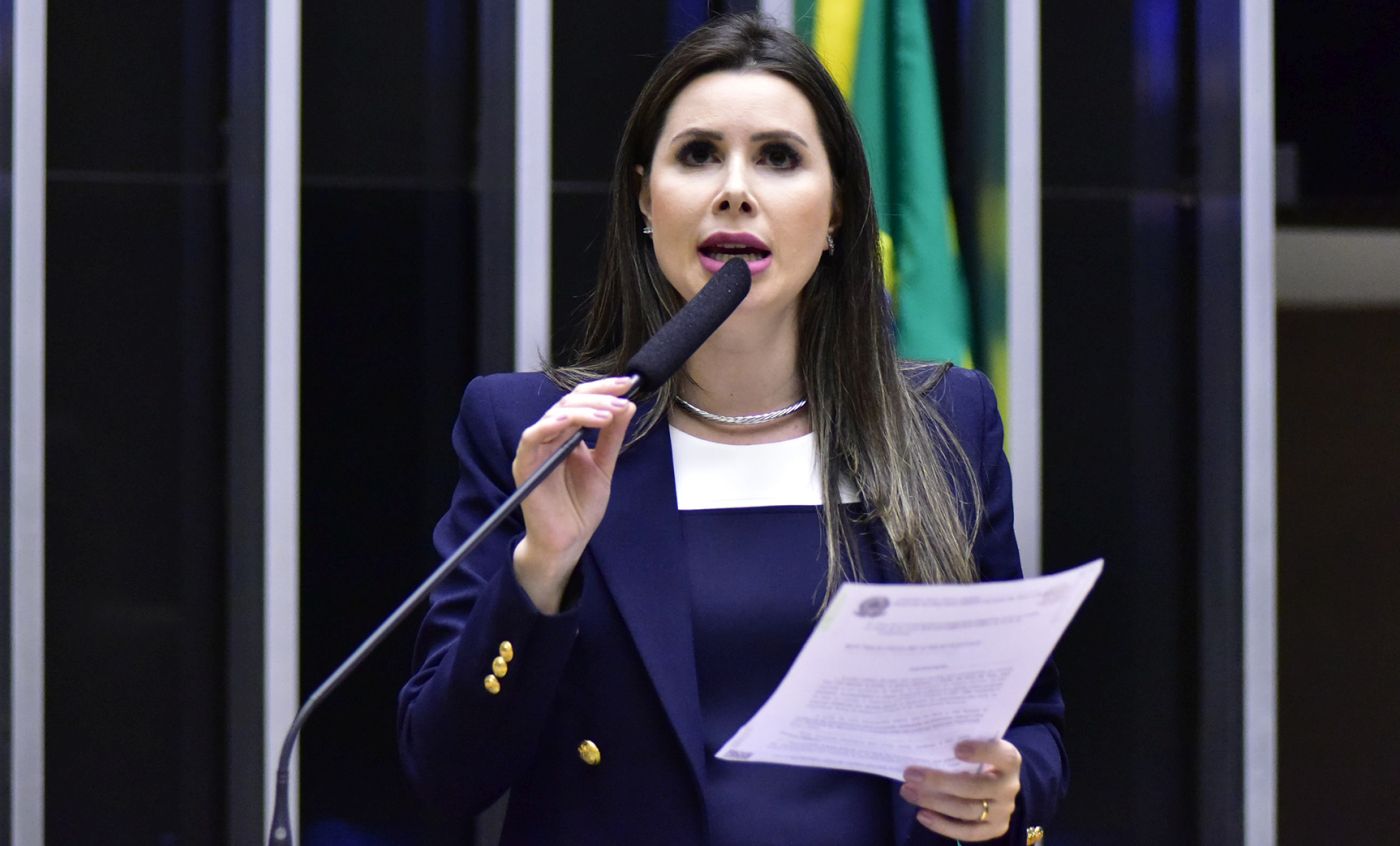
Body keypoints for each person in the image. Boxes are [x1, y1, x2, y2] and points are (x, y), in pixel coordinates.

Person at [398, 13, 1066, 846]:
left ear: (837, 210)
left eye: (779, 157)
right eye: (698, 155)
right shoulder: (536, 433)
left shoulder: (945, 424)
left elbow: (1028, 726)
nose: (736, 190)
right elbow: (445, 769)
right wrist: (542, 566)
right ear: (645, 200)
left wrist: (1005, 791)